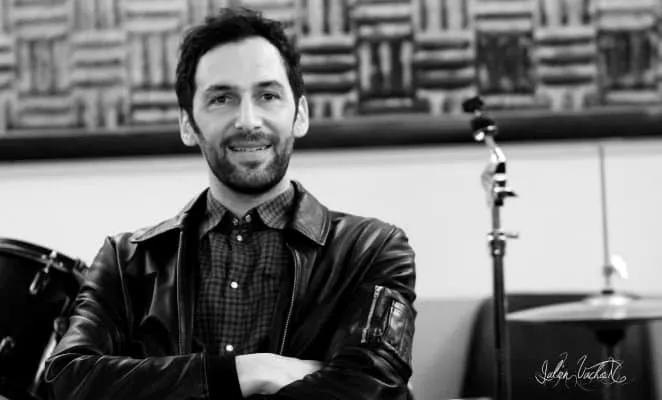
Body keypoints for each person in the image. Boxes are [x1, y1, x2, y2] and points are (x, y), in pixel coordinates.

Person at [43, 6, 417, 400]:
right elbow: (67, 380)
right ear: (188, 124)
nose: (248, 120)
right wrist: (253, 371)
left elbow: (373, 387)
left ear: (300, 114)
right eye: (222, 98)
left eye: (268, 95)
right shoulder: (126, 261)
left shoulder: (373, 250)